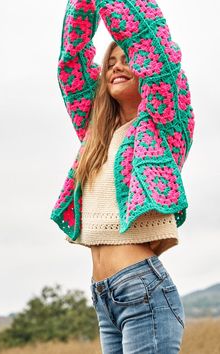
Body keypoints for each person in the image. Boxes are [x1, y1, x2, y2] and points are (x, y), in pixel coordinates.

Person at [50, 0, 195, 352]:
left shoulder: (162, 127)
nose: (116, 67)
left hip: (143, 292)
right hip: (104, 298)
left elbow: (152, 45)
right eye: (109, 63)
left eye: (127, 58)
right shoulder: (97, 133)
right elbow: (71, 60)